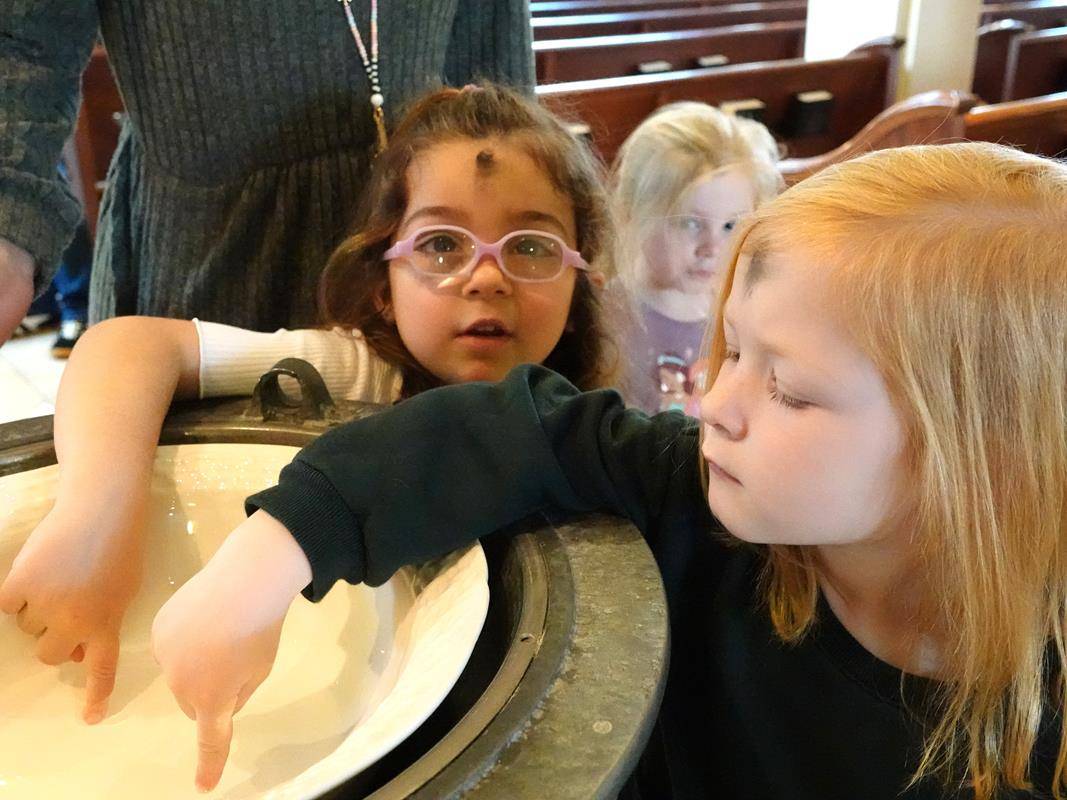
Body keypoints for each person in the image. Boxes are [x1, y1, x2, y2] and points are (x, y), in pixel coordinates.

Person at [143, 142, 1064, 797]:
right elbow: (509, 429)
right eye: (730, 350)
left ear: (985, 456)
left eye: (786, 389)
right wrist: (267, 560)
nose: (715, 405)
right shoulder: (703, 486)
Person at [0, 84, 615, 754]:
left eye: (530, 247)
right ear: (383, 284)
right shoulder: (358, 375)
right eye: (441, 244)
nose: (485, 277)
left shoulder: (593, 425)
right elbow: (130, 347)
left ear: (581, 276)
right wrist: (96, 516)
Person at [0, 2, 534, 344]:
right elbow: (21, 42)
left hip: (428, 251)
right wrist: (9, 219)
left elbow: (491, 54)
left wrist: (515, 212)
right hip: (209, 255)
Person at [605, 102, 781, 414]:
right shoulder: (607, 319)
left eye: (731, 225)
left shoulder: (748, 309)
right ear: (634, 214)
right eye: (690, 223)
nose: (712, 247)